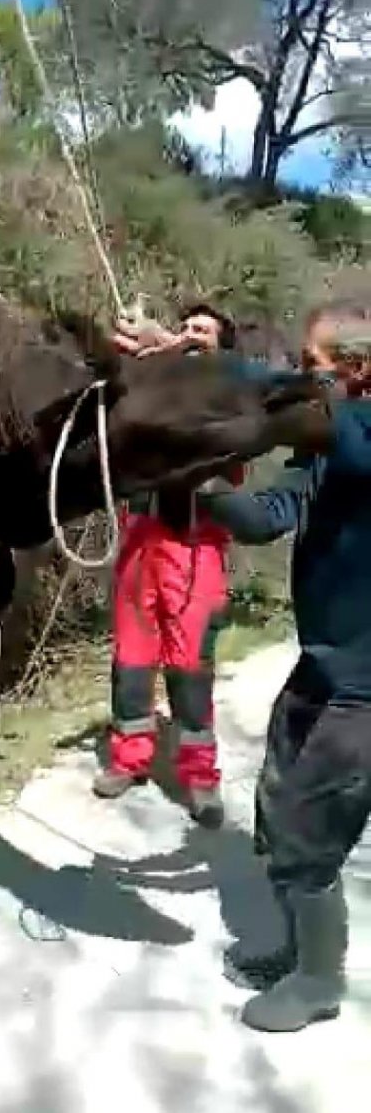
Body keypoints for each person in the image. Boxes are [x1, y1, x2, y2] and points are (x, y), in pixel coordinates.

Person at [195, 295, 371, 1032]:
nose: (300, 380)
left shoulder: (362, 433)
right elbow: (268, 516)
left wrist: (210, 364)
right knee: (274, 794)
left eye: (312, 368)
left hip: (367, 687)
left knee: (307, 823)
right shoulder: (325, 447)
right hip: (323, 664)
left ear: (359, 372)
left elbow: (286, 402)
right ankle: (299, 947)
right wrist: (197, 486)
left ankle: (319, 981)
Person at [95, 303, 242, 830]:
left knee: (190, 666)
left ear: (224, 347)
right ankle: (129, 759)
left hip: (196, 545)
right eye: (187, 328)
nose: (191, 336)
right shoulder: (162, 380)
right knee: (132, 658)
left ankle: (200, 776)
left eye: (204, 332)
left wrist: (173, 349)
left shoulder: (235, 391)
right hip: (143, 538)